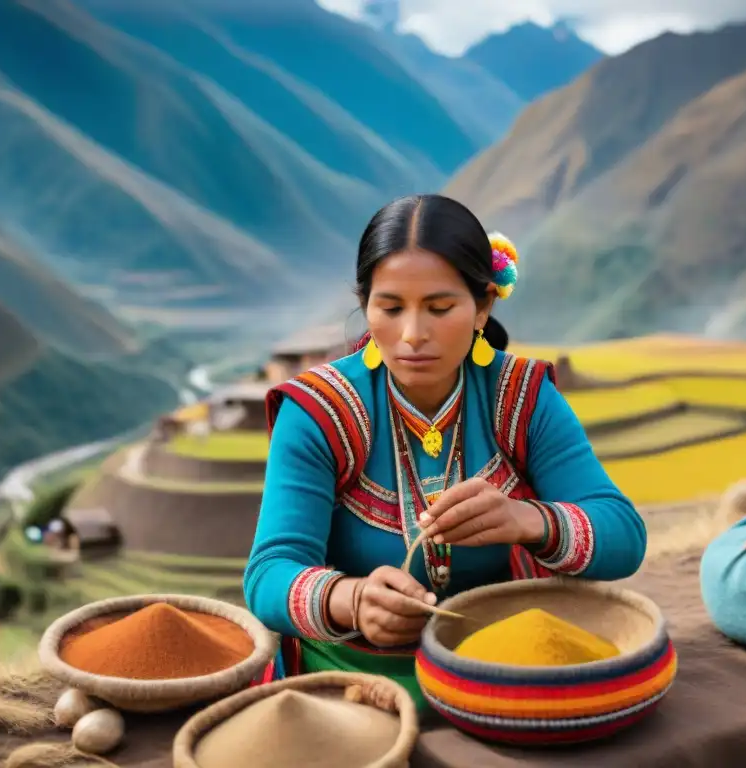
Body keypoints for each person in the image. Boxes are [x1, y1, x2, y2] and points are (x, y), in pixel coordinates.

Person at [244, 194, 647, 706]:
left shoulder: (521, 397)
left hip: (502, 670)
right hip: (353, 685)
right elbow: (269, 573)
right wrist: (351, 599)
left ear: (483, 305)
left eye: (440, 308)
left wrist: (530, 520)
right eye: (390, 308)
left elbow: (624, 535)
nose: (413, 335)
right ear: (366, 305)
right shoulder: (321, 414)